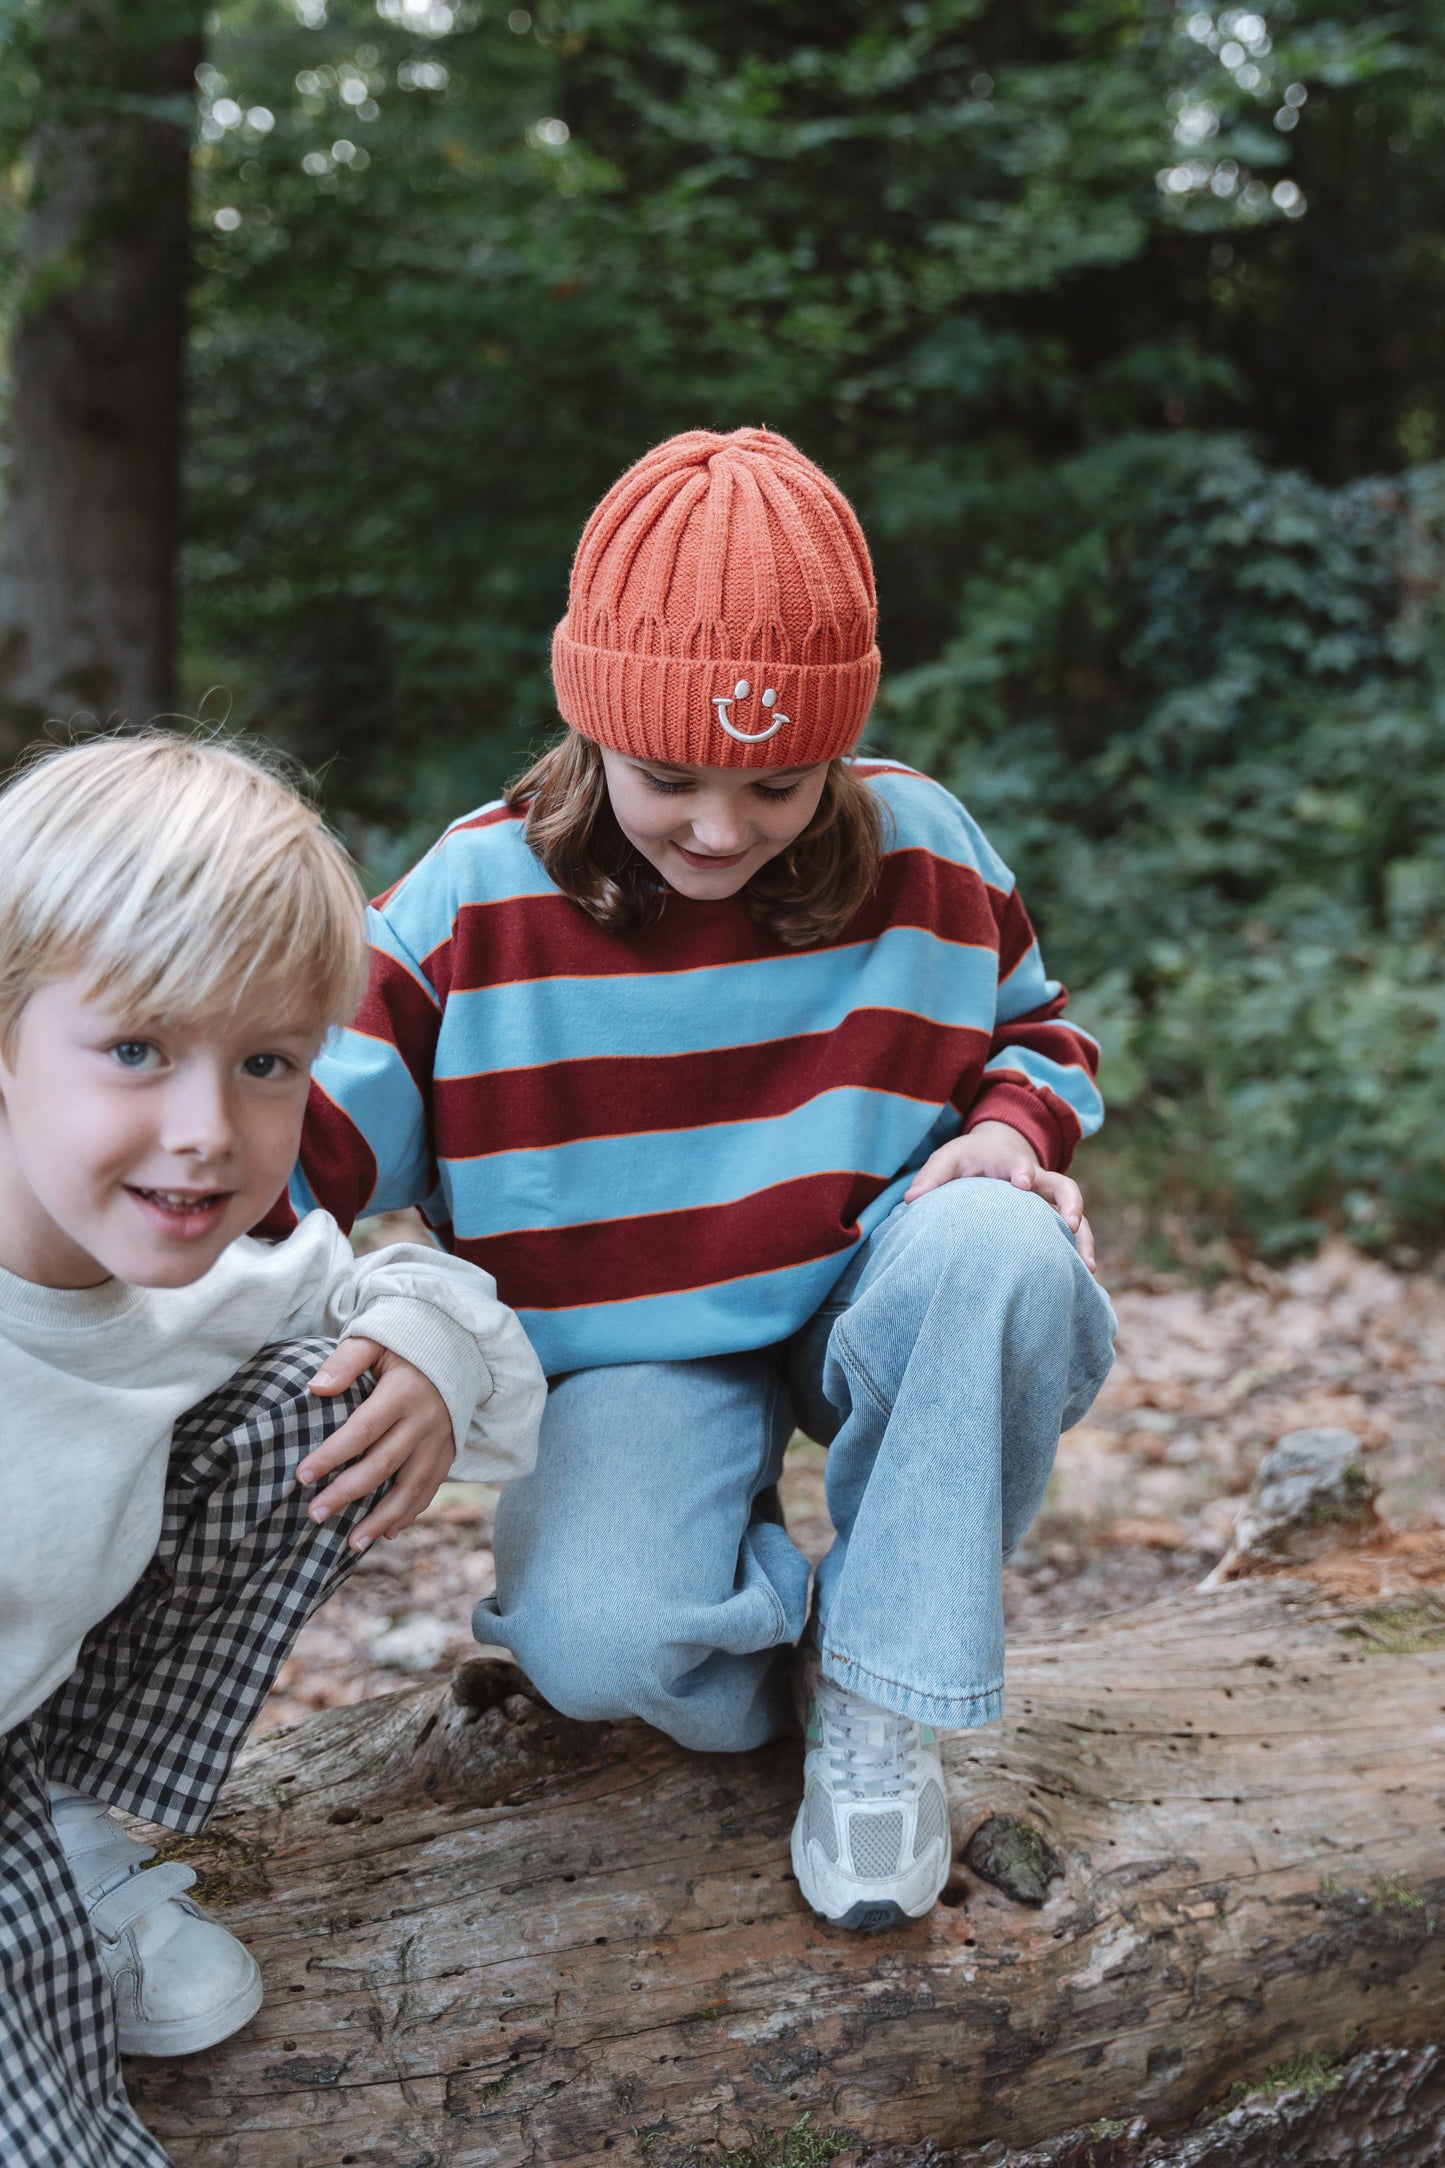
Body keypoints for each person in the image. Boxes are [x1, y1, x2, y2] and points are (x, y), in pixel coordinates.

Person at [285, 427, 1117, 1934]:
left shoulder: (924, 849)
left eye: (778, 785)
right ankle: (824, 1636)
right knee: (604, 1644)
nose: (721, 831)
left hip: (882, 1278)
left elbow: (1037, 1034)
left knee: (1005, 1248)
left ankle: (877, 1697)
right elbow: (304, 1152)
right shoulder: (474, 900)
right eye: (669, 776)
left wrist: (1009, 1129)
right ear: (588, 721)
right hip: (623, 1342)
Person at [0, 735, 546, 2168]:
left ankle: (70, 1828)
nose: (205, 1134)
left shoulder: (200, 1281)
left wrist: (426, 1326)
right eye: (135, 1050)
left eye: (264, 1064)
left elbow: (482, 1389)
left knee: (328, 1387)